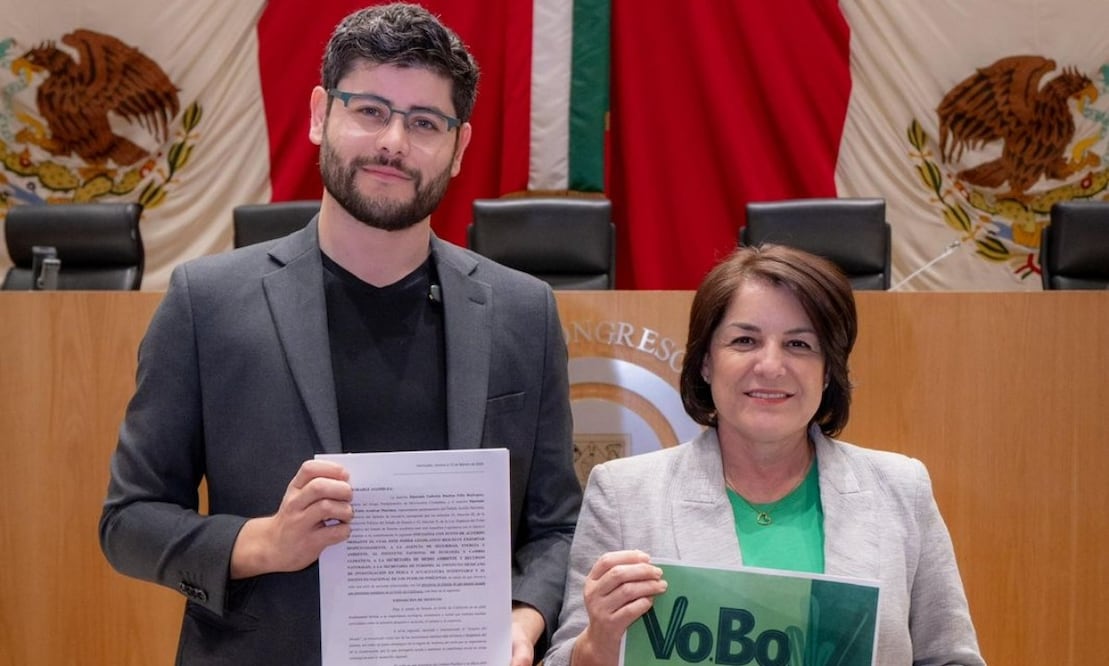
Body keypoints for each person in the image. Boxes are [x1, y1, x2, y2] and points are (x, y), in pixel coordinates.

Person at [99, 4, 580, 664]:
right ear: (321, 114)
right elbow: (129, 521)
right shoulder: (204, 302)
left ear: (458, 147)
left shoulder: (524, 312)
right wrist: (265, 542)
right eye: (370, 111)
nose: (393, 142)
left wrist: (524, 623)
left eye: (424, 122)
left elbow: (555, 526)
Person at [543, 244, 984, 665]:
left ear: (828, 370)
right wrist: (597, 646)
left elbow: (951, 660)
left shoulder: (901, 489)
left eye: (799, 345)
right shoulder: (623, 494)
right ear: (705, 362)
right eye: (745, 341)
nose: (771, 366)